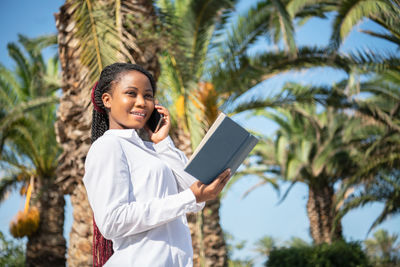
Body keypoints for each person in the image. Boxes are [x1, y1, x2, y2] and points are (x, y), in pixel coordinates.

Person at [83, 63, 231, 267]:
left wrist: (163, 143)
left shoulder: (154, 150)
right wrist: (190, 197)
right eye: (131, 93)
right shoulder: (108, 146)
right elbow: (112, 221)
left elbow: (196, 197)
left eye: (148, 96)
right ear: (107, 100)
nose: (142, 102)